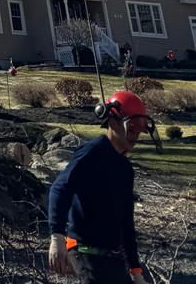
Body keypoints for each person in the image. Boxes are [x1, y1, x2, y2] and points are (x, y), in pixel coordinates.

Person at [47, 90, 150, 281]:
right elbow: (60, 189)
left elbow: (126, 223)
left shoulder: (126, 169)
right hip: (85, 251)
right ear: (112, 121)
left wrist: (135, 270)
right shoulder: (92, 152)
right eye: (131, 129)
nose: (135, 136)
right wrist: (57, 237)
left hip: (112, 256)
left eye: (139, 131)